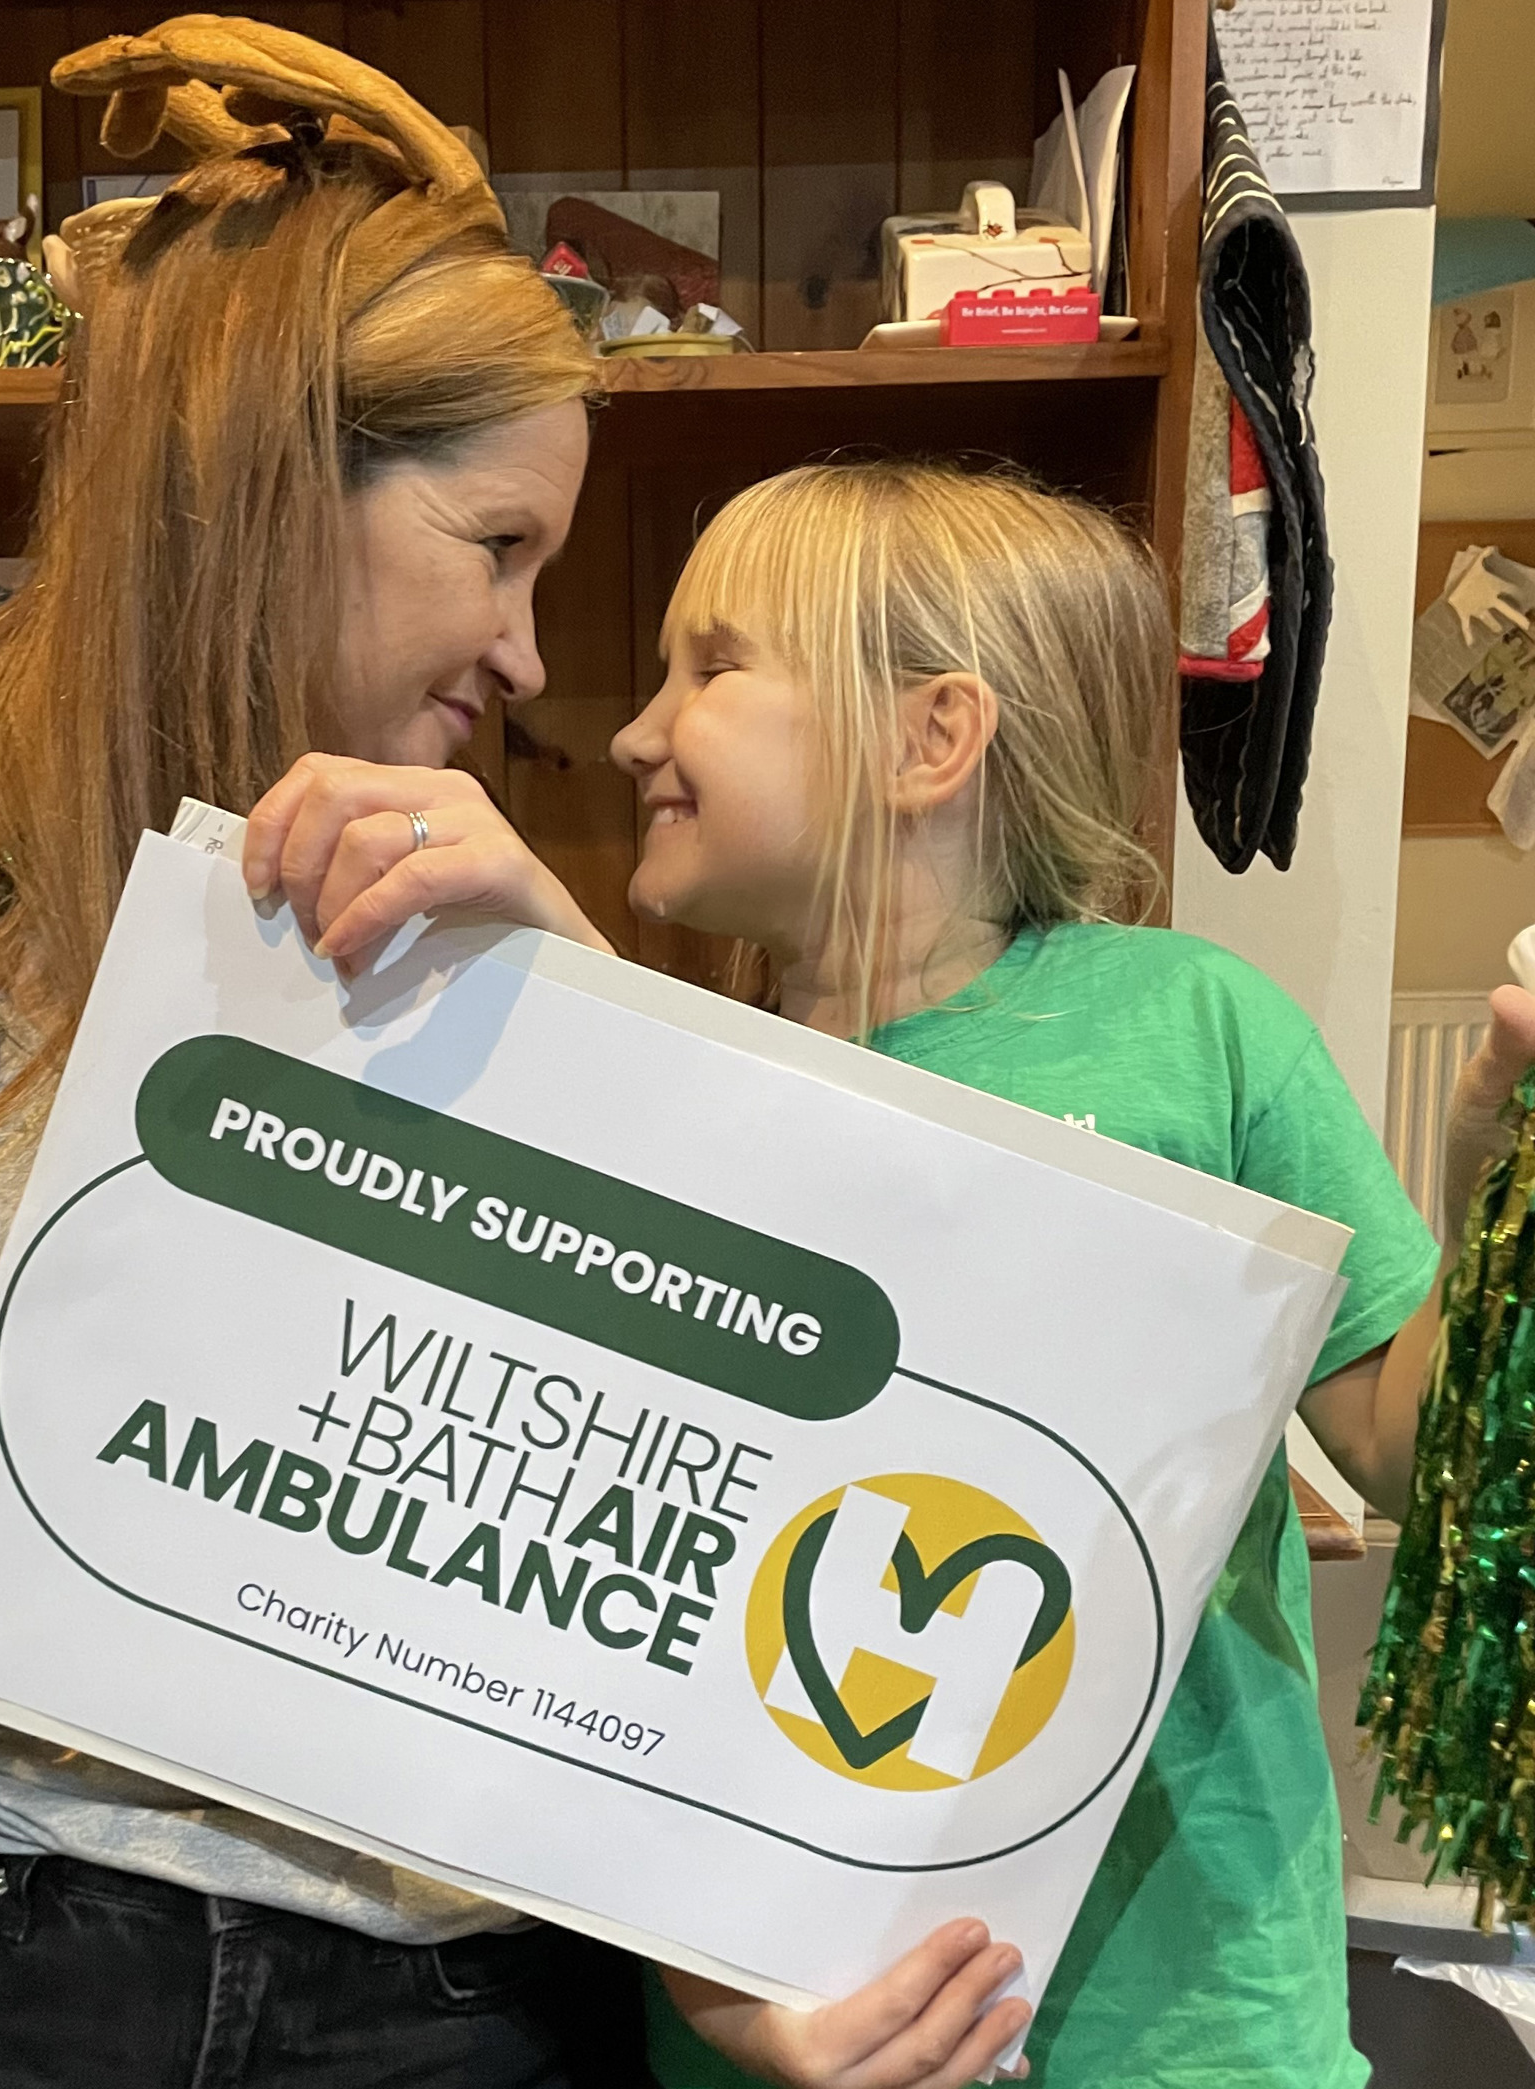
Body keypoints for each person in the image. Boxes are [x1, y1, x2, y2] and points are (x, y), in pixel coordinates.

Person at [244, 458, 1535, 2089]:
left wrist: (1498, 1205)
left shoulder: (1196, 1029)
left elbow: (1412, 1444)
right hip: (784, 2029)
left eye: (711, 666)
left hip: (1187, 2030)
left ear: (933, 737)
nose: (635, 729)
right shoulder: (674, 1070)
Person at [0, 22, 631, 2089]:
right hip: (25, 1983)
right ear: (275, 498)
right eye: (501, 547)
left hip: (458, 2005)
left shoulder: (524, 957)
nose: (536, 656)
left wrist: (575, 997)